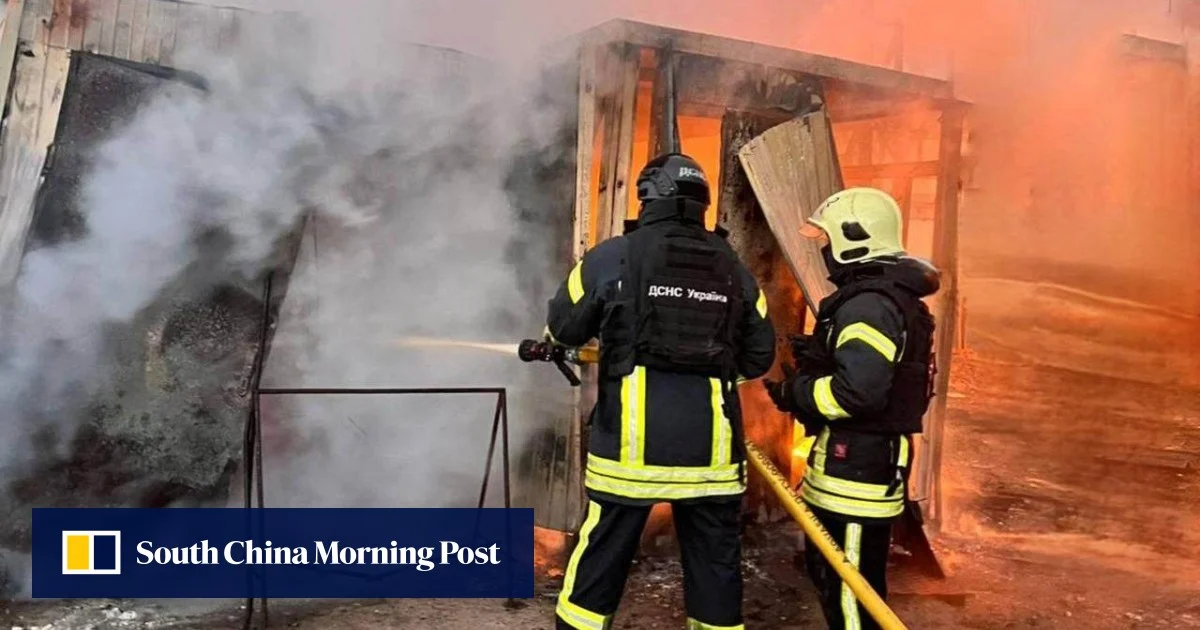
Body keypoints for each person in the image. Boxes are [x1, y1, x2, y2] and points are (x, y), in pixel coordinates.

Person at [546, 153, 776, 630]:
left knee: (601, 560)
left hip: (631, 454)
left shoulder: (614, 256)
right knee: (715, 568)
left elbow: (565, 326)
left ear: (649, 198)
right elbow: (758, 356)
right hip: (711, 457)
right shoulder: (735, 270)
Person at [763, 187, 940, 630]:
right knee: (837, 580)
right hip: (852, 464)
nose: (823, 252)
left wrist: (796, 394)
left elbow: (857, 394)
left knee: (852, 594)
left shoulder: (868, 307)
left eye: (826, 241)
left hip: (858, 471)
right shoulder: (877, 299)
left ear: (853, 238)